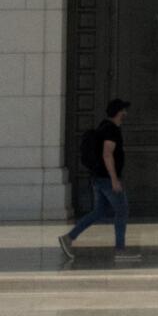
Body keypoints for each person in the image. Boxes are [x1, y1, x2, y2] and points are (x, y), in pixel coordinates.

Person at [62, 96, 132, 254]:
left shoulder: (104, 126)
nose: (125, 113)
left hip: (98, 178)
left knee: (99, 211)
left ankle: (69, 237)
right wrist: (114, 179)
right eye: (123, 110)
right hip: (107, 179)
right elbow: (107, 154)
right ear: (117, 112)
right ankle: (120, 249)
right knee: (121, 211)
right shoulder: (111, 130)